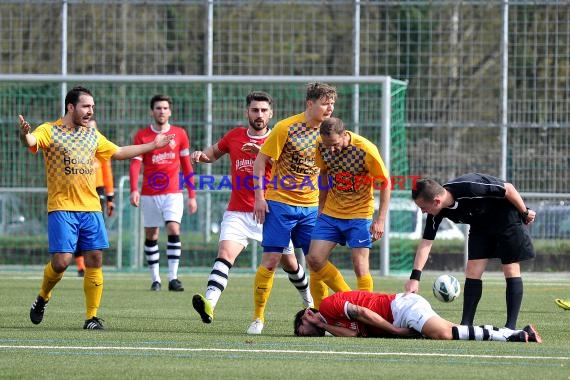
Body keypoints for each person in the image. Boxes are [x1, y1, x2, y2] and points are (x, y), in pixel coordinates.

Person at [19, 86, 175, 329]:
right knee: (61, 262)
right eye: (86, 106)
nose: (90, 111)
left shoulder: (92, 136)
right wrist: (25, 134)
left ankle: (91, 317)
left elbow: (120, 152)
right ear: (71, 107)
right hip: (61, 207)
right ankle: (43, 297)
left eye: (92, 106)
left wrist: (154, 145)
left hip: (91, 208)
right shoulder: (49, 130)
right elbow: (32, 141)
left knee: (95, 258)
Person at [190, 91, 312, 324]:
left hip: (272, 212)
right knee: (225, 255)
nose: (259, 115)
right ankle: (209, 304)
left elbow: (293, 170)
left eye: (264, 111)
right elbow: (213, 153)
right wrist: (199, 155)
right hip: (238, 212)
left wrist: (263, 156)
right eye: (255, 110)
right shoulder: (235, 136)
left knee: (291, 264)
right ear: (247, 112)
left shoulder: (279, 136)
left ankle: (309, 301)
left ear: (271, 114)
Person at [250, 82, 337, 335]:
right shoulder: (285, 128)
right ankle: (257, 318)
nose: (329, 107)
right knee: (271, 261)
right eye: (324, 103)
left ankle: (322, 317)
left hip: (311, 208)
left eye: (332, 103)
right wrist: (259, 197)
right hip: (279, 204)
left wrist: (326, 205)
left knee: (317, 262)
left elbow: (328, 171)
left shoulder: (330, 132)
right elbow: (260, 162)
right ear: (309, 104)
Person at [404, 173, 536, 330]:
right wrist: (415, 278)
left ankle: (510, 326)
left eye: (423, 208)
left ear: (436, 201)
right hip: (480, 226)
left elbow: (508, 189)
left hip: (506, 219)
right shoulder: (437, 211)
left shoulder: (469, 186)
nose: (423, 212)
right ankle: (466, 324)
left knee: (510, 268)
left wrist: (525, 213)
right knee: (473, 269)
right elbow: (426, 243)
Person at [306, 117, 391, 308]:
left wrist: (381, 220)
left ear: (345, 134)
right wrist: (321, 205)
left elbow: (385, 184)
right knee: (314, 259)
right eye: (327, 146)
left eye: (335, 144)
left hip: (359, 215)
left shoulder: (366, 149)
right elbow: (324, 174)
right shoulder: (321, 145)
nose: (331, 150)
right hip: (331, 213)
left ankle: (365, 314)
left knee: (360, 268)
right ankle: (348, 301)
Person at [129, 94, 198, 292]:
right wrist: (134, 189)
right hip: (149, 193)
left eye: (165, 108)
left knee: (173, 230)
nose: (161, 111)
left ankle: (174, 278)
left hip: (173, 193)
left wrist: (192, 195)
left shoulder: (180, 134)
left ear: (170, 111)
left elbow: (186, 165)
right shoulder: (142, 136)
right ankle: (155, 279)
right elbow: (135, 165)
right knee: (151, 233)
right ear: (152, 111)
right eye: (158, 108)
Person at [294, 290, 542, 343]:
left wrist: (396, 331)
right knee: (453, 329)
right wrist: (325, 328)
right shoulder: (331, 324)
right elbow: (355, 333)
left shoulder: (327, 306)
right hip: (401, 311)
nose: (303, 334)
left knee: (443, 334)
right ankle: (517, 332)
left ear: (308, 313)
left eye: (301, 328)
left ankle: (514, 338)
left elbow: (361, 312)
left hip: (400, 308)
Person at [75, 119, 115, 277]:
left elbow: (108, 174)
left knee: (93, 230)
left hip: (97, 192)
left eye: (94, 129)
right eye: (87, 128)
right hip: (78, 192)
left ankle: (93, 264)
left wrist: (110, 198)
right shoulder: (74, 148)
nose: (91, 131)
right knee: (77, 230)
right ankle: (80, 267)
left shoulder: (101, 150)